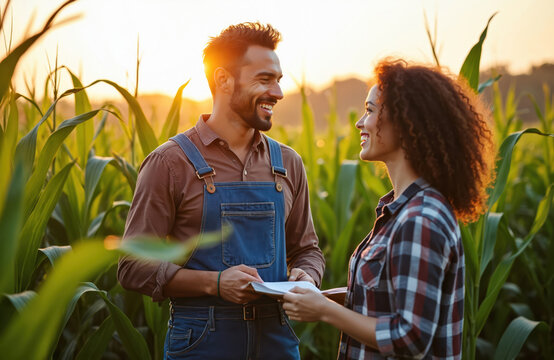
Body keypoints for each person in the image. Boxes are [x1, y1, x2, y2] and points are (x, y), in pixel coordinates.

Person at [117, 22, 325, 359]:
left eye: (279, 80)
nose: (278, 93)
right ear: (223, 80)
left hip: (277, 337)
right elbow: (132, 266)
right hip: (200, 339)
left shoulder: (288, 163)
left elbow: (308, 249)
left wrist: (308, 276)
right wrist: (214, 283)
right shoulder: (169, 163)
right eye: (265, 79)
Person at [282, 59, 495, 359]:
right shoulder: (400, 210)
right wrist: (318, 297)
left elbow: (411, 337)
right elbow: (383, 299)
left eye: (370, 111)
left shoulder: (420, 219)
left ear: (407, 123)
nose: (360, 122)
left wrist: (325, 311)